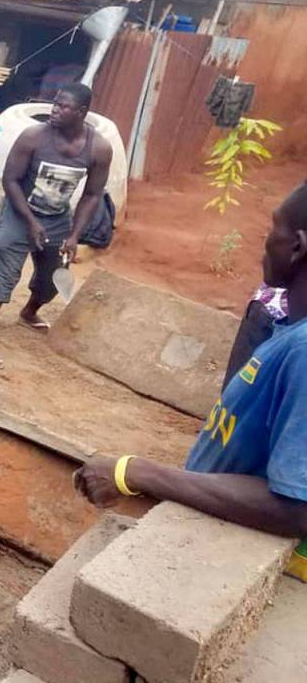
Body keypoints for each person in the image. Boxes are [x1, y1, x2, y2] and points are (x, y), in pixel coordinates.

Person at [74, 184, 307, 559]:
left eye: (273, 227)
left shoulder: (303, 350)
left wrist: (136, 472)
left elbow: (295, 508)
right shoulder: (289, 332)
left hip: (226, 559)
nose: (264, 240)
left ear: (297, 247)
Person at [0, 83, 112, 369]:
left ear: (82, 112)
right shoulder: (33, 137)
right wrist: (31, 223)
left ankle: (29, 312)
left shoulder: (98, 148)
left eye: (63, 106)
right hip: (20, 213)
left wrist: (74, 236)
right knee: (6, 274)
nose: (55, 110)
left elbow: (93, 194)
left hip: (58, 217)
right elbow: (10, 181)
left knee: (53, 278)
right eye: (55, 104)